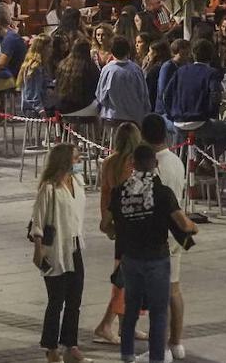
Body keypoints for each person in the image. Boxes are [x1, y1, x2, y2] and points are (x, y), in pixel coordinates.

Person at [104, 145, 198, 363]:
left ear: (133, 164)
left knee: (131, 309)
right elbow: (183, 224)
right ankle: (157, 358)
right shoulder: (163, 193)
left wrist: (117, 232)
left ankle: (127, 355)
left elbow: (105, 224)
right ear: (155, 165)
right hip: (157, 258)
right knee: (158, 312)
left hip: (130, 258)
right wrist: (194, 227)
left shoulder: (120, 191)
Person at [30, 143, 88, 363]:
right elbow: (38, 221)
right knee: (56, 300)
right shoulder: (49, 188)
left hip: (75, 246)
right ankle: (51, 347)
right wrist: (38, 249)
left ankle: (70, 343)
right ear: (65, 161)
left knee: (75, 299)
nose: (80, 161)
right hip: (56, 250)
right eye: (76, 158)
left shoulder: (78, 182)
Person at [141, 114, 189, 361]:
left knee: (157, 296)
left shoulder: (150, 166)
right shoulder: (176, 161)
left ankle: (159, 349)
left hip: (156, 235)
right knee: (174, 290)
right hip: (176, 234)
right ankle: (176, 343)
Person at [92, 123, 142, 346]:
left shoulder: (110, 162)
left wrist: (106, 222)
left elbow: (105, 194)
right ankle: (105, 325)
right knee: (124, 279)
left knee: (124, 276)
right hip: (134, 225)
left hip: (120, 224)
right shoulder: (134, 164)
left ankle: (125, 325)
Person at [158, 38, 226, 153]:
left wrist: (172, 115)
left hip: (178, 122)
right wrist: (209, 114)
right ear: (211, 55)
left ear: (192, 54)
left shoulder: (180, 71)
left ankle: (196, 161)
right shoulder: (211, 73)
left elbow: (165, 96)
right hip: (200, 122)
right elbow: (215, 96)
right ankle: (207, 162)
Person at [96, 36, 152, 126]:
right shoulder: (136, 69)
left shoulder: (107, 69)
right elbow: (143, 94)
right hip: (134, 117)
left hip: (112, 116)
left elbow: (101, 95)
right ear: (128, 51)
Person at [55, 40, 100, 116]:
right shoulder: (89, 66)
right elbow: (97, 87)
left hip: (62, 107)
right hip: (84, 106)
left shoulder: (62, 64)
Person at [19, 33, 56, 115]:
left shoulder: (43, 65)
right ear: (42, 49)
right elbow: (32, 93)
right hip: (35, 107)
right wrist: (40, 109)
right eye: (49, 47)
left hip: (42, 102)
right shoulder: (35, 68)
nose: (52, 50)